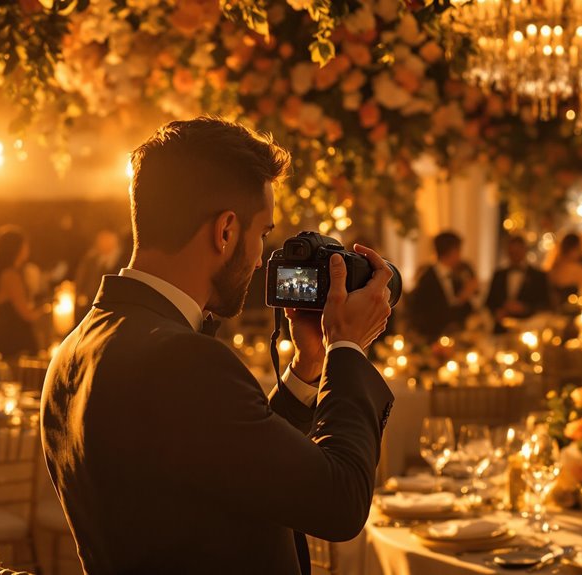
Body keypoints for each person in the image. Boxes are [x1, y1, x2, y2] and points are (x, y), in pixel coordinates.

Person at [41, 117, 394, 574]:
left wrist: (310, 365)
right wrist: (348, 348)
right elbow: (339, 502)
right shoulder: (182, 360)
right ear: (226, 230)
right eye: (262, 234)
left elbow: (232, 458)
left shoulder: (76, 348)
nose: (261, 257)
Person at [0, 225, 40, 358]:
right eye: (25, 245)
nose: (27, 249)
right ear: (16, 248)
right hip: (13, 338)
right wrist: (45, 309)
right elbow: (25, 313)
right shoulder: (10, 276)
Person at [408, 231, 479, 341]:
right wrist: (462, 297)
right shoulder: (427, 279)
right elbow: (433, 316)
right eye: (459, 251)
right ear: (453, 251)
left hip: (455, 337)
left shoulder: (456, 276)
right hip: (432, 338)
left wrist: (470, 295)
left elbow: (466, 311)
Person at [485, 235, 550, 332]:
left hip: (529, 328)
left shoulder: (538, 276)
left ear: (525, 251)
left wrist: (525, 308)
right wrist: (497, 311)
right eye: (512, 253)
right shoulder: (498, 275)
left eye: (517, 252)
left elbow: (546, 305)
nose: (514, 255)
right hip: (501, 329)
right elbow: (489, 303)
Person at [73, 228, 124, 319]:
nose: (104, 241)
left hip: (112, 311)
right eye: (101, 238)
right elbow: (81, 285)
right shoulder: (90, 261)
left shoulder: (123, 261)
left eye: (107, 237)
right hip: (89, 310)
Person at [547, 233, 582, 314]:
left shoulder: (552, 269)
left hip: (551, 315)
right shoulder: (581, 271)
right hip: (575, 316)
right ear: (576, 248)